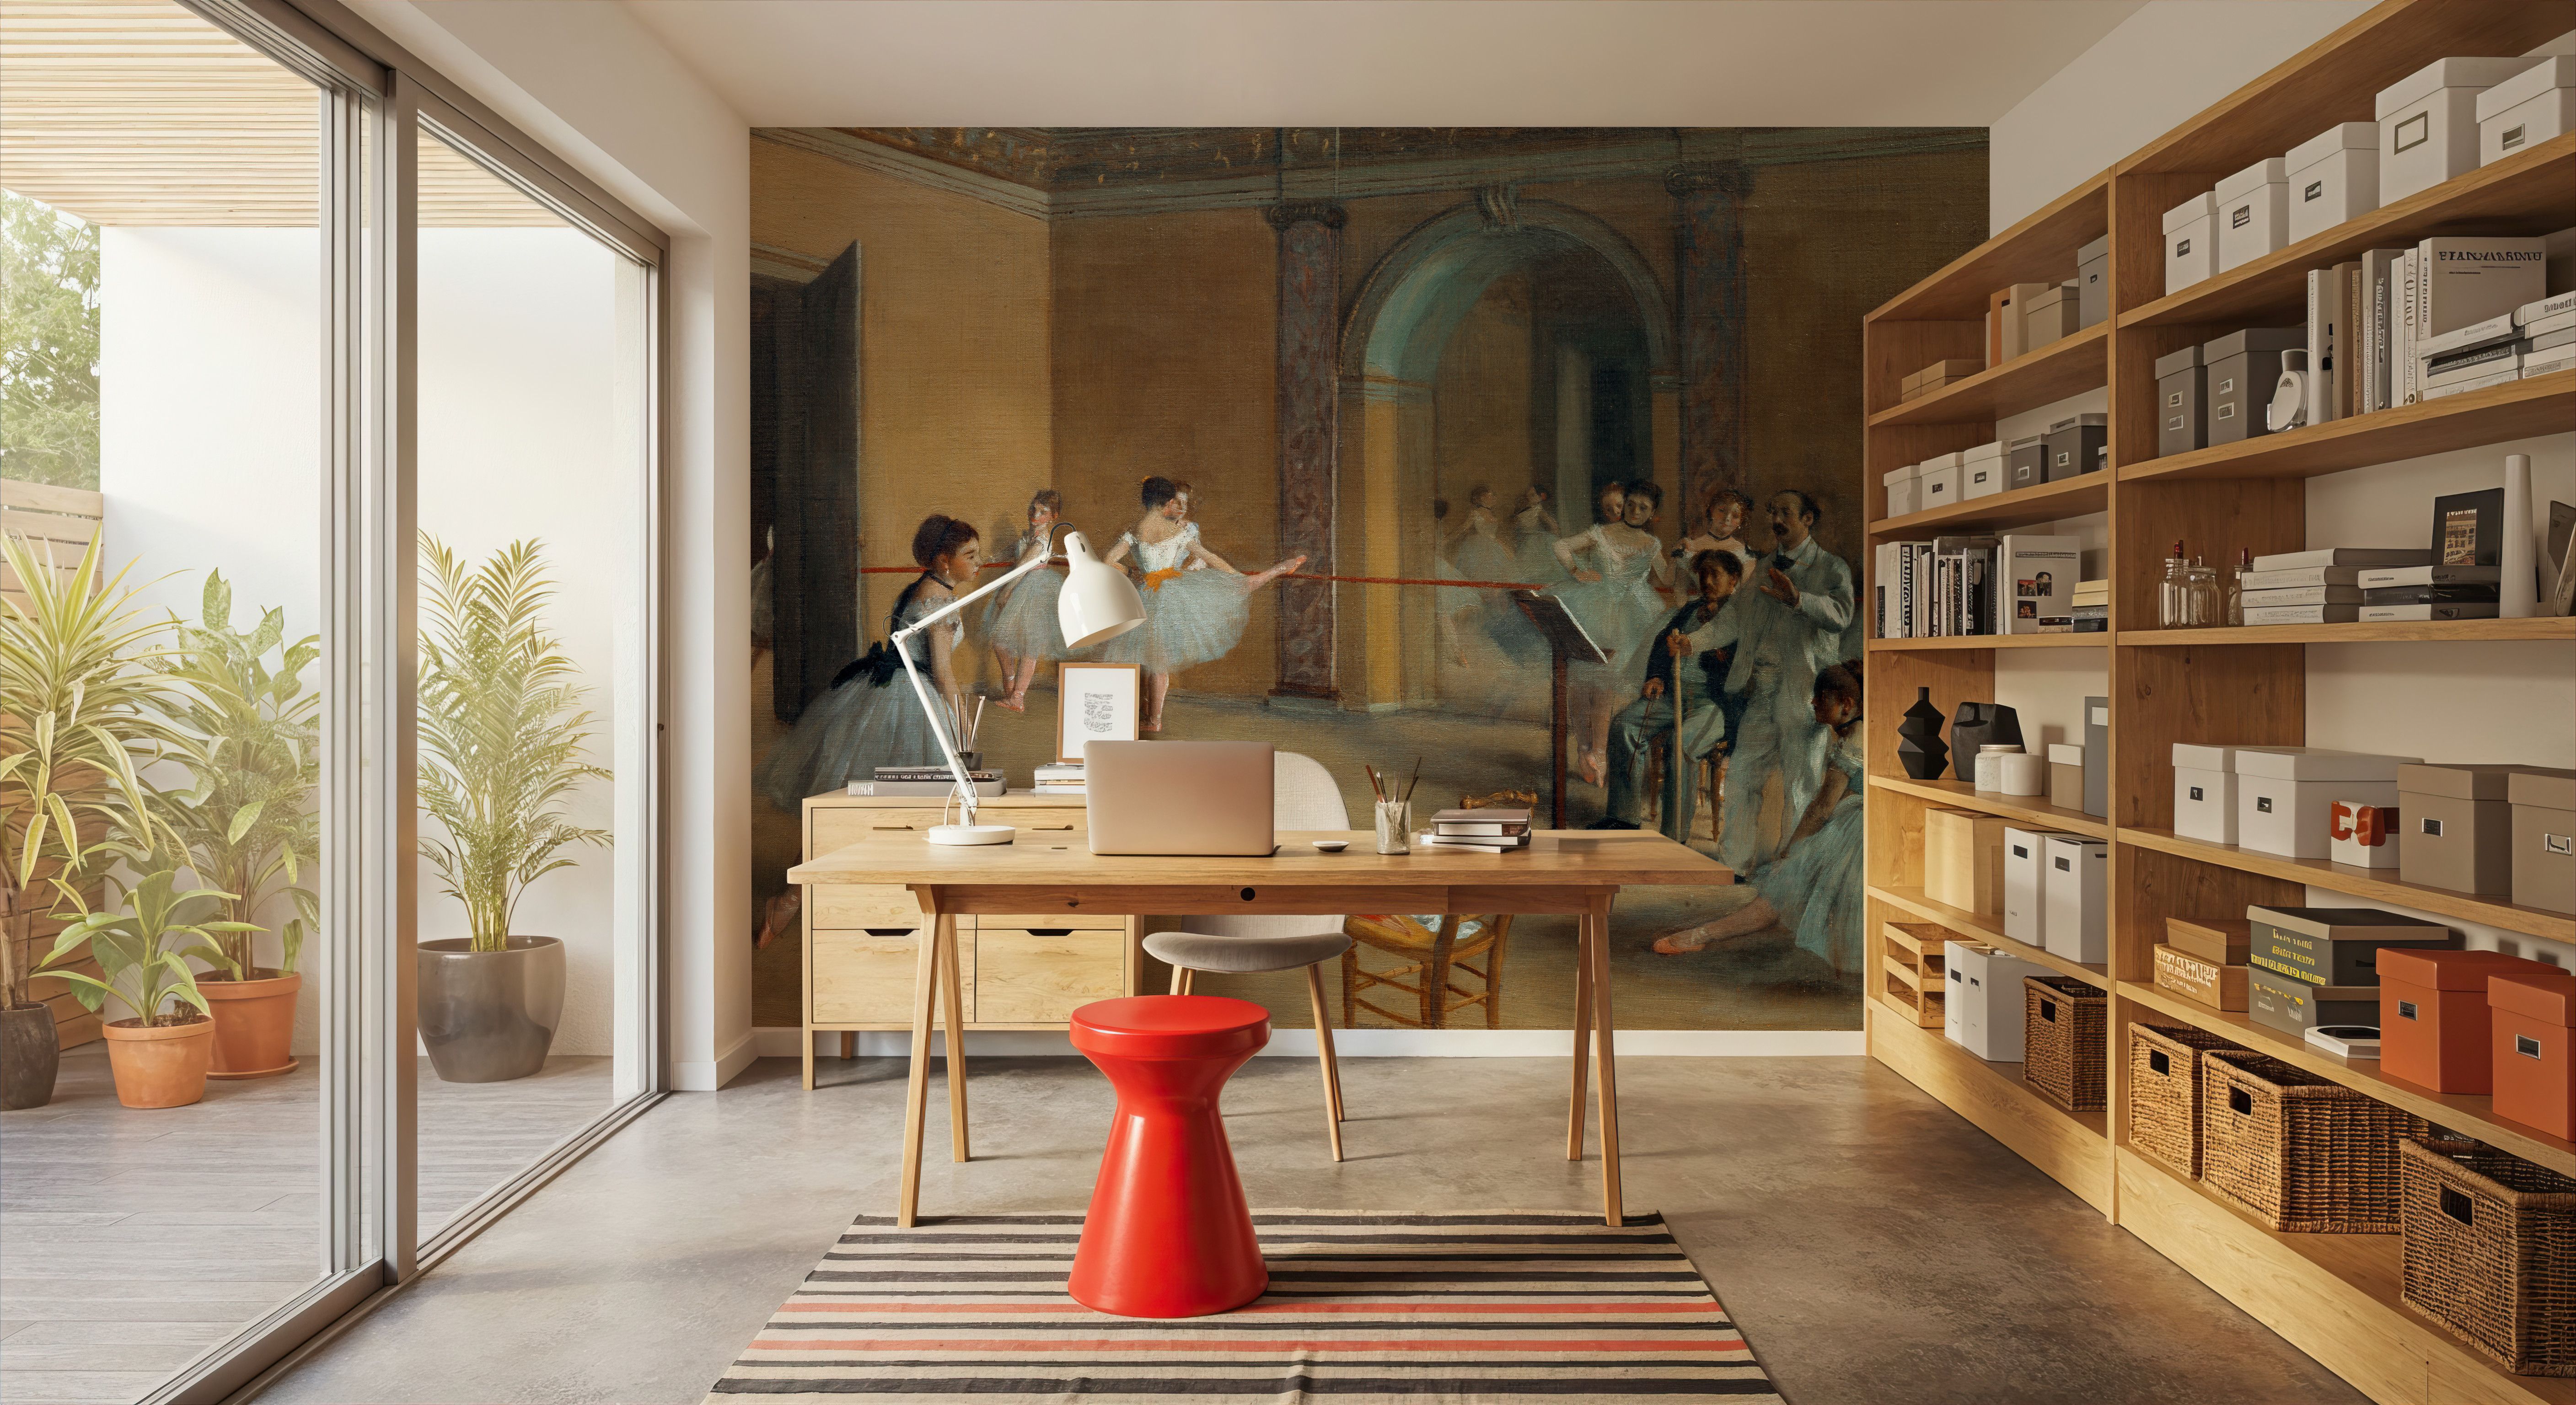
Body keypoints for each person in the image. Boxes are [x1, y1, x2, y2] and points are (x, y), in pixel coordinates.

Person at [756, 514, 980, 811]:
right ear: (944, 562)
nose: (981, 561)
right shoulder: (939, 604)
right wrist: (964, 729)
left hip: (888, 681)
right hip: (914, 689)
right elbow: (942, 673)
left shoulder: (918, 588)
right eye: (971, 555)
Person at [1653, 659, 1865, 973]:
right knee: (1792, 887)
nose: (1813, 702)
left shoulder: (1854, 740)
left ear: (1846, 704)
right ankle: (1702, 935)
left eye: (1821, 697)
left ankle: (1700, 935)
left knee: (1785, 886)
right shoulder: (1859, 731)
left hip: (1859, 831)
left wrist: (1793, 852)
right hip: (1858, 822)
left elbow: (1821, 809)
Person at [1715, 488, 1855, 874]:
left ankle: (1792, 872)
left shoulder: (1832, 568)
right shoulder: (1762, 568)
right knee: (1743, 773)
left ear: (1808, 519)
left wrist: (1799, 601)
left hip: (1805, 689)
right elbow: (1735, 619)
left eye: (1787, 513)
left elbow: (1841, 616)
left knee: (1802, 783)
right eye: (1773, 511)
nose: (1778, 519)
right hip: (1762, 684)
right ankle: (1735, 865)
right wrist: (1691, 642)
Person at [1100, 475, 1306, 732]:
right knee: (1159, 661)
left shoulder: (1135, 532)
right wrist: (1235, 576)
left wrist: (1133, 573)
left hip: (1147, 593)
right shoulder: (1176, 531)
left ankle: (1150, 719)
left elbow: (1109, 560)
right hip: (1171, 593)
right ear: (1166, 503)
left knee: (1150, 659)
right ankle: (1153, 720)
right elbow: (1209, 557)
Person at [1595, 549, 1745, 837]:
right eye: (1703, 575)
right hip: (1672, 697)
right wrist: (1655, 676)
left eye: (1716, 575)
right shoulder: (1690, 609)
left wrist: (1717, 648)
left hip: (1712, 704)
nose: (1708, 581)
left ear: (1734, 579)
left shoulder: (1740, 616)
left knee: (1682, 746)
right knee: (1624, 726)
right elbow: (1661, 644)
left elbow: (1740, 668)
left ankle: (1674, 836)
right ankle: (1623, 817)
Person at [1547, 479, 1671, 784]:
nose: (1635, 511)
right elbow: (1560, 546)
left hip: (1632, 615)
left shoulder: (1653, 545)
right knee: (1578, 683)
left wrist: (1685, 557)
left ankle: (1599, 754)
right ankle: (1582, 749)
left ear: (1652, 514)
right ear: (1624, 503)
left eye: (1644, 508)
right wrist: (1577, 572)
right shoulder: (1600, 534)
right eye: (1631, 504)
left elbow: (1668, 577)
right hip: (1592, 607)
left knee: (1605, 686)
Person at [982, 488, 1072, 712]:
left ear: (1054, 517)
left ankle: (1018, 697)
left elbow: (1021, 568)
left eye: (1044, 511)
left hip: (1035, 591)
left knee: (1029, 646)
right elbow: (1012, 551)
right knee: (1001, 641)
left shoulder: (1042, 540)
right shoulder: (1026, 537)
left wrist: (1006, 591)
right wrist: (987, 559)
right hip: (1020, 587)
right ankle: (1011, 685)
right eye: (1033, 508)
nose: (1036, 514)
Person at [1670, 487, 1752, 601]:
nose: (1727, 519)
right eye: (1722, 511)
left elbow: (1746, 594)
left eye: (1735, 516)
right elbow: (1680, 590)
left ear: (1741, 522)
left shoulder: (1746, 553)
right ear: (1711, 510)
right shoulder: (1690, 547)